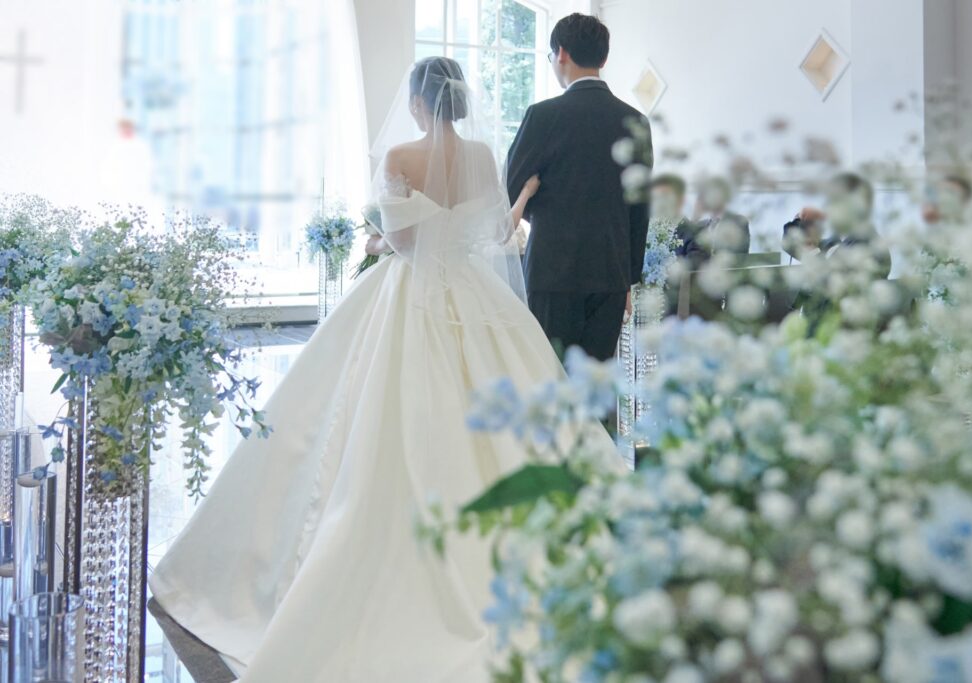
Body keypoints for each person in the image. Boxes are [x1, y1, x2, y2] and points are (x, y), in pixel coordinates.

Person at [150, 57, 618, 683]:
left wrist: (374, 241)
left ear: (419, 103)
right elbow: (489, 231)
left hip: (411, 294)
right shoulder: (482, 156)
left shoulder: (400, 156)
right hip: (476, 295)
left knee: (357, 412)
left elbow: (400, 243)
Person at [506, 13, 652, 361]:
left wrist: (542, 210)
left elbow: (511, 188)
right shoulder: (636, 121)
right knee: (595, 382)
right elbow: (640, 207)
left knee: (549, 374)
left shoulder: (542, 116)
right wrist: (628, 279)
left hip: (551, 272)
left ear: (561, 53)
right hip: (610, 274)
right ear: (604, 58)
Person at [782, 172, 891, 278]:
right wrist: (799, 220)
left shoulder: (872, 247)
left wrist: (812, 253)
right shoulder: (834, 241)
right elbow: (791, 244)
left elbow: (834, 282)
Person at [678, 176, 751, 266]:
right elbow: (689, 252)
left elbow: (740, 257)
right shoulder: (701, 225)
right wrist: (696, 216)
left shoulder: (738, 222)